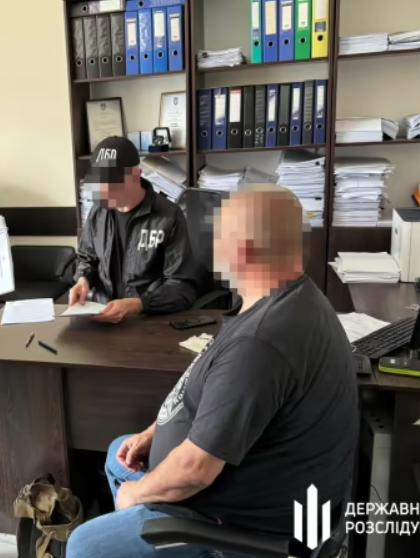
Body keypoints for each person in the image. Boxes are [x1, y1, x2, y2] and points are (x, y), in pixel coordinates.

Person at [66, 185, 359, 558]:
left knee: (84, 546)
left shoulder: (260, 341)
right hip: (241, 481)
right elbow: (212, 392)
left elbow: (195, 470)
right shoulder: (290, 298)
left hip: (236, 525)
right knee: (117, 453)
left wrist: (135, 494)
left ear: (244, 251)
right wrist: (154, 433)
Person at [69, 136, 198, 323]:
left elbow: (182, 287)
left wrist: (139, 304)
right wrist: (83, 279)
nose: (106, 191)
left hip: (147, 320)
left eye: (113, 183)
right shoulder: (98, 211)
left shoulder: (169, 216)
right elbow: (87, 258)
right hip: (102, 317)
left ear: (136, 175)